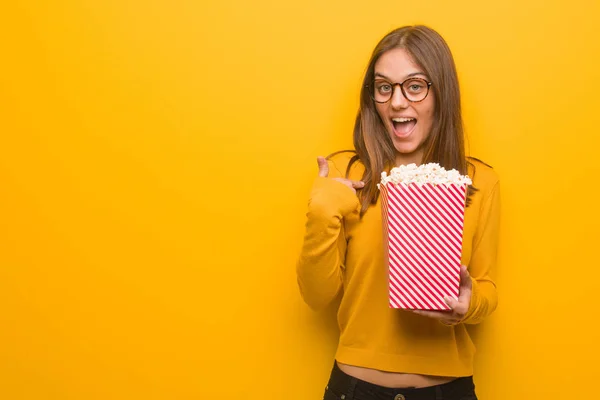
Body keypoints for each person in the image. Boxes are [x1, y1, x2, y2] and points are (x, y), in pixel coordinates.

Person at [296, 25, 500, 400]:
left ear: (441, 94)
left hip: (448, 390)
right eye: (384, 86)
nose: (397, 102)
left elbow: (485, 289)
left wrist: (467, 305)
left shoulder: (478, 181)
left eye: (415, 85)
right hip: (356, 389)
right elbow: (316, 296)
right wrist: (323, 210)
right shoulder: (346, 175)